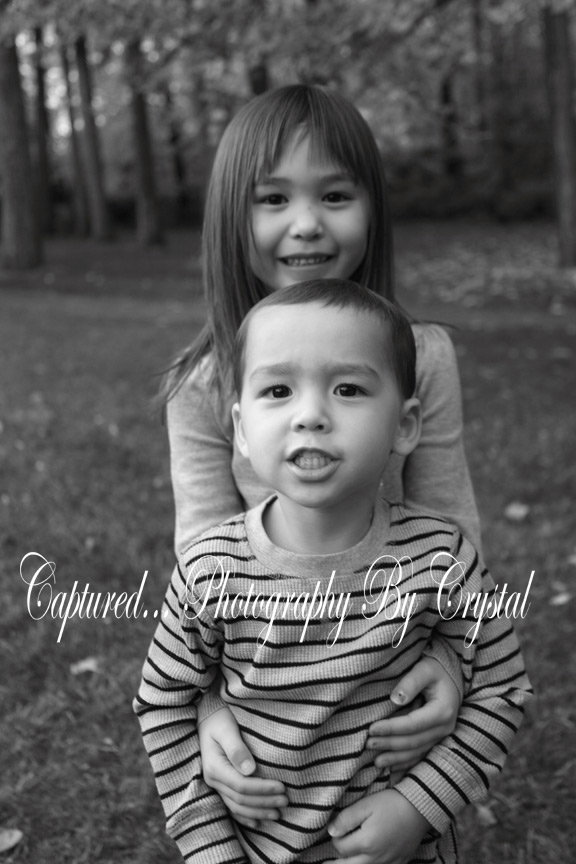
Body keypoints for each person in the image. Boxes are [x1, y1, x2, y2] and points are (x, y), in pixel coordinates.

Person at [164, 84, 480, 826]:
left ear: (372, 208)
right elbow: (199, 562)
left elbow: (452, 524)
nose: (306, 224)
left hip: (393, 666)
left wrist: (449, 663)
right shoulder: (204, 384)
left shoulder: (424, 359)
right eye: (273, 199)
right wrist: (209, 708)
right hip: (269, 674)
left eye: (335, 195)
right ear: (231, 217)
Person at [135, 281, 532, 864]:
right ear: (241, 429)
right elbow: (164, 705)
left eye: (348, 389)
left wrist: (419, 805)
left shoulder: (442, 558)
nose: (311, 416)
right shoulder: (208, 570)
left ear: (405, 425)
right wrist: (212, 852)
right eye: (278, 390)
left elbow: (502, 688)